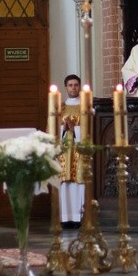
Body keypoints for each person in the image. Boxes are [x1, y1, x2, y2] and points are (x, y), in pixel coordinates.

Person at [59, 74, 85, 229]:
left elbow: (89, 130)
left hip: (79, 150)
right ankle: (65, 217)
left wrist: (74, 129)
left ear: (79, 87)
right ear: (66, 87)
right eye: (70, 85)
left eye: (76, 85)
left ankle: (78, 217)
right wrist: (63, 128)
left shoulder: (86, 106)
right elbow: (51, 130)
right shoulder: (60, 107)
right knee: (65, 183)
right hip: (64, 151)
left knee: (79, 182)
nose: (73, 87)